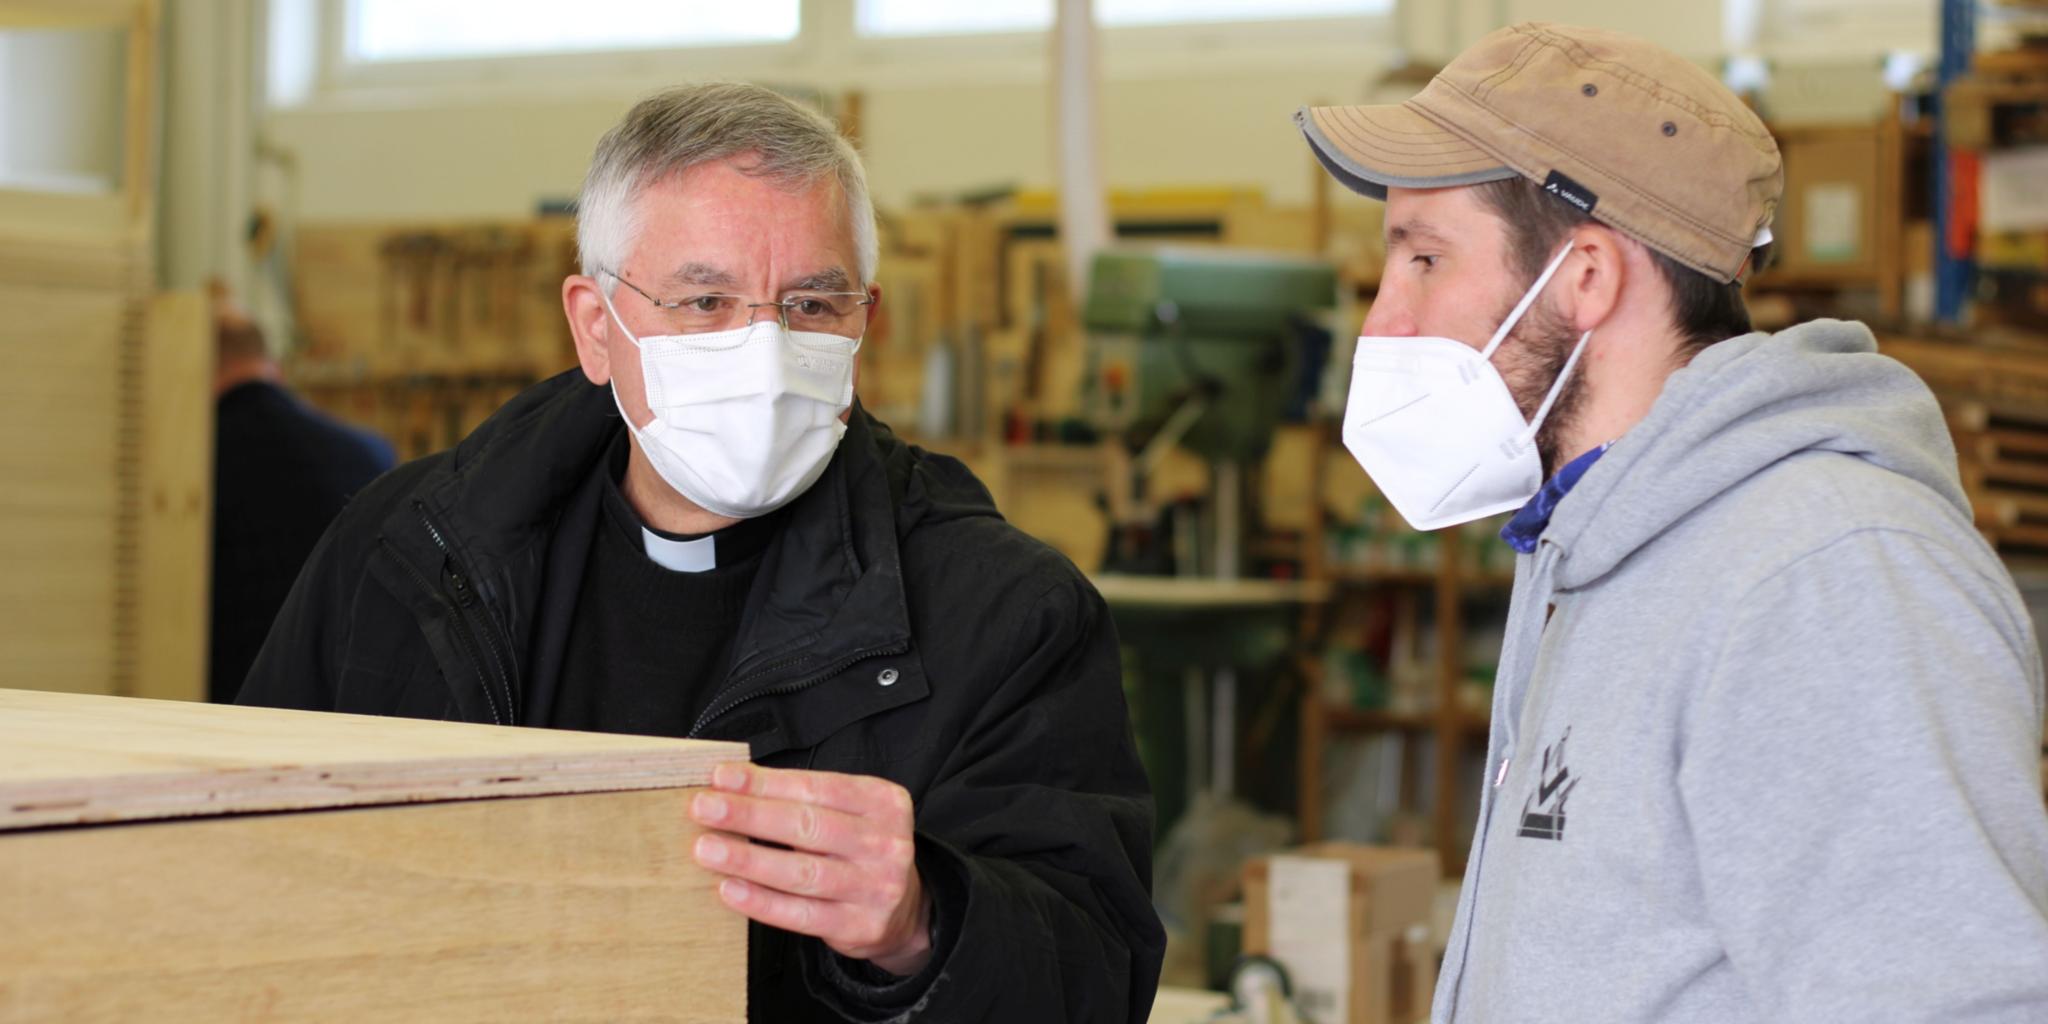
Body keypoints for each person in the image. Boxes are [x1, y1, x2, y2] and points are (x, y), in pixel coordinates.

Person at [238, 83, 1164, 1022]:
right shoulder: (409, 554)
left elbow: (1100, 972)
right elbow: (247, 871)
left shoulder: (1006, 613)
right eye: (704, 300)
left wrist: (927, 925)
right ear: (598, 327)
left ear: (862, 322)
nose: (761, 355)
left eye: (809, 303)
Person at [1295, 22, 2048, 1022]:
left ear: (1586, 277)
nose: (1381, 321)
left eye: (1423, 259)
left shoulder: (1820, 577)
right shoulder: (1597, 550)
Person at [210, 290, 393, 704]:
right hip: (344, 702)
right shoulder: (368, 452)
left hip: (224, 704)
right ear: (271, 363)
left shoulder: (194, 469)